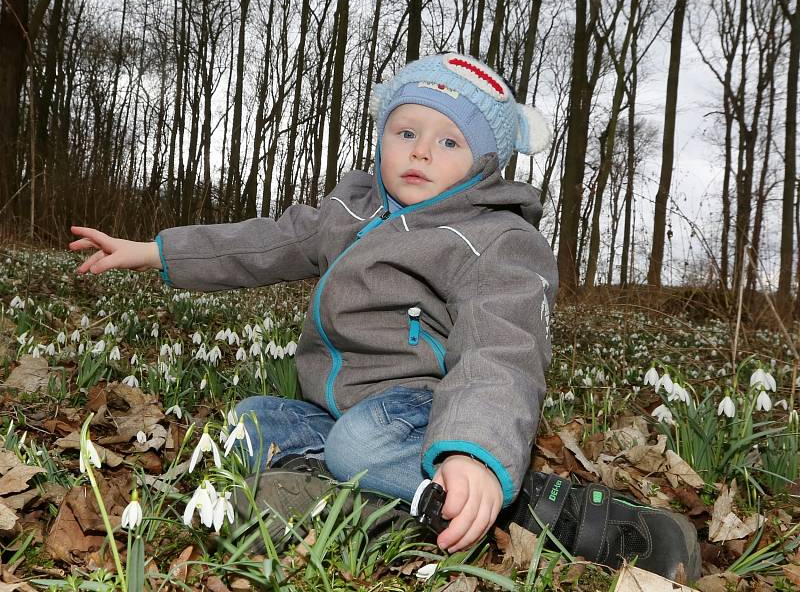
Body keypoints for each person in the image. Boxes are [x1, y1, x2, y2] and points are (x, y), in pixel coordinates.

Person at [70, 52, 700, 581]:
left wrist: (477, 450)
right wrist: (154, 251)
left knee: (363, 442)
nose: (420, 152)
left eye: (448, 141)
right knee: (249, 423)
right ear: (382, 137)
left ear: (484, 161)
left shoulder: (496, 238)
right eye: (406, 133)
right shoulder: (354, 208)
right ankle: (369, 496)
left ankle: (522, 505)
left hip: (422, 409)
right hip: (335, 408)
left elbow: (501, 348)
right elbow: (264, 244)